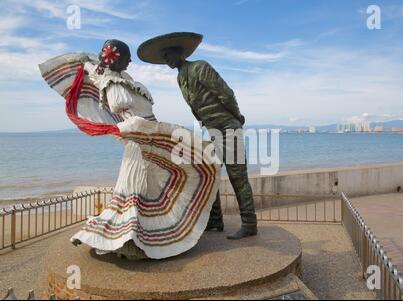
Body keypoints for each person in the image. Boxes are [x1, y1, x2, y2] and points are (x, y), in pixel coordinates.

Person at [39, 39, 220, 259]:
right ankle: (131, 239)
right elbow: (121, 109)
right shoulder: (112, 83)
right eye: (127, 56)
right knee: (141, 190)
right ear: (117, 58)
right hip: (138, 144)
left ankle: (139, 239)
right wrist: (98, 72)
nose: (131, 60)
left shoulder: (123, 79)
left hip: (146, 141)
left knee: (152, 187)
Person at [137, 32, 257, 240]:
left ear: (179, 53)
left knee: (237, 176)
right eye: (164, 58)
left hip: (228, 126)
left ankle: (249, 223)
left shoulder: (199, 67)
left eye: (169, 56)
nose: (167, 61)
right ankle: (215, 221)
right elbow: (195, 106)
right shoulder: (180, 78)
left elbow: (226, 93)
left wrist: (237, 117)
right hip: (211, 130)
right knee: (207, 172)